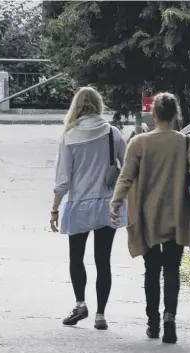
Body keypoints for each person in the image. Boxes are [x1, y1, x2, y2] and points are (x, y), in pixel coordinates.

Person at [110, 92, 190, 344]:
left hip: (147, 217)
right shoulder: (186, 142)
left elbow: (126, 177)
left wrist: (116, 202)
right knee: (172, 270)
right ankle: (170, 318)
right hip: (177, 215)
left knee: (151, 270)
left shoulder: (139, 143)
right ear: (176, 115)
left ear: (153, 115)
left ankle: (152, 323)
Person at [49, 87, 127, 331]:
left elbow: (63, 179)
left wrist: (54, 210)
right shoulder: (112, 133)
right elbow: (128, 165)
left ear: (76, 106)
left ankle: (80, 303)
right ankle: (101, 314)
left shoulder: (69, 136)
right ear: (98, 105)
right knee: (103, 260)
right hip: (107, 203)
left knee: (76, 257)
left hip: (79, 204)